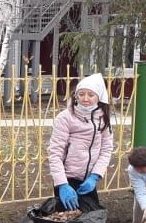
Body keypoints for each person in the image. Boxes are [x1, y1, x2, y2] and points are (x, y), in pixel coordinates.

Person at [47, 73, 114, 212]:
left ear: (99, 97)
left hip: (88, 180)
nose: (85, 98)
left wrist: (95, 176)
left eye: (91, 95)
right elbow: (55, 153)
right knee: (66, 221)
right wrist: (62, 184)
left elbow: (106, 149)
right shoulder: (65, 118)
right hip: (67, 179)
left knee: (90, 222)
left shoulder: (103, 118)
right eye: (81, 94)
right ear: (76, 95)